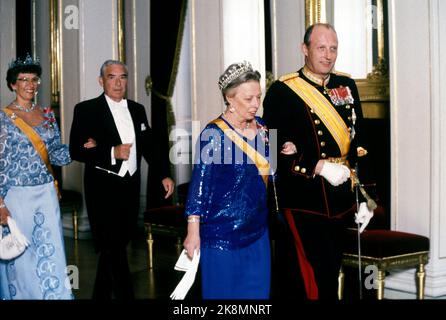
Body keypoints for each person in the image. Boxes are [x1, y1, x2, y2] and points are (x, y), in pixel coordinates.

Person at [262, 23, 374, 300]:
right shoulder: (282, 91)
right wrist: (317, 165)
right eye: (321, 48)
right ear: (305, 49)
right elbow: (273, 148)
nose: (328, 55)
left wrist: (366, 197)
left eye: (333, 48)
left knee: (335, 273)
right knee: (308, 277)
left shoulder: (345, 85)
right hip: (304, 198)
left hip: (342, 196)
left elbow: (360, 144)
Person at [69, 60, 175, 299]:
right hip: (102, 187)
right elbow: (76, 150)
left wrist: (164, 174)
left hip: (130, 185)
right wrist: (110, 151)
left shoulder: (137, 109)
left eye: (123, 77)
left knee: (115, 246)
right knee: (113, 246)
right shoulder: (86, 109)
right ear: (101, 81)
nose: (118, 83)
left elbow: (150, 147)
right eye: (112, 77)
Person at [183, 61, 271, 299]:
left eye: (258, 97)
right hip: (222, 237)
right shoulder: (213, 135)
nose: (256, 104)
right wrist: (193, 232)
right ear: (230, 99)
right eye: (248, 98)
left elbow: (269, 174)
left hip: (258, 233)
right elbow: (199, 186)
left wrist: (286, 151)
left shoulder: (262, 127)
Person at [0, 54, 74, 299]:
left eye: (34, 79)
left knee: (50, 253)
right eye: (23, 79)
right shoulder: (3, 118)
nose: (30, 84)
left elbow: (57, 155)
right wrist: (0, 204)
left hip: (45, 194)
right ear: (13, 84)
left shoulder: (47, 116)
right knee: (21, 258)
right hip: (16, 197)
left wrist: (83, 148)